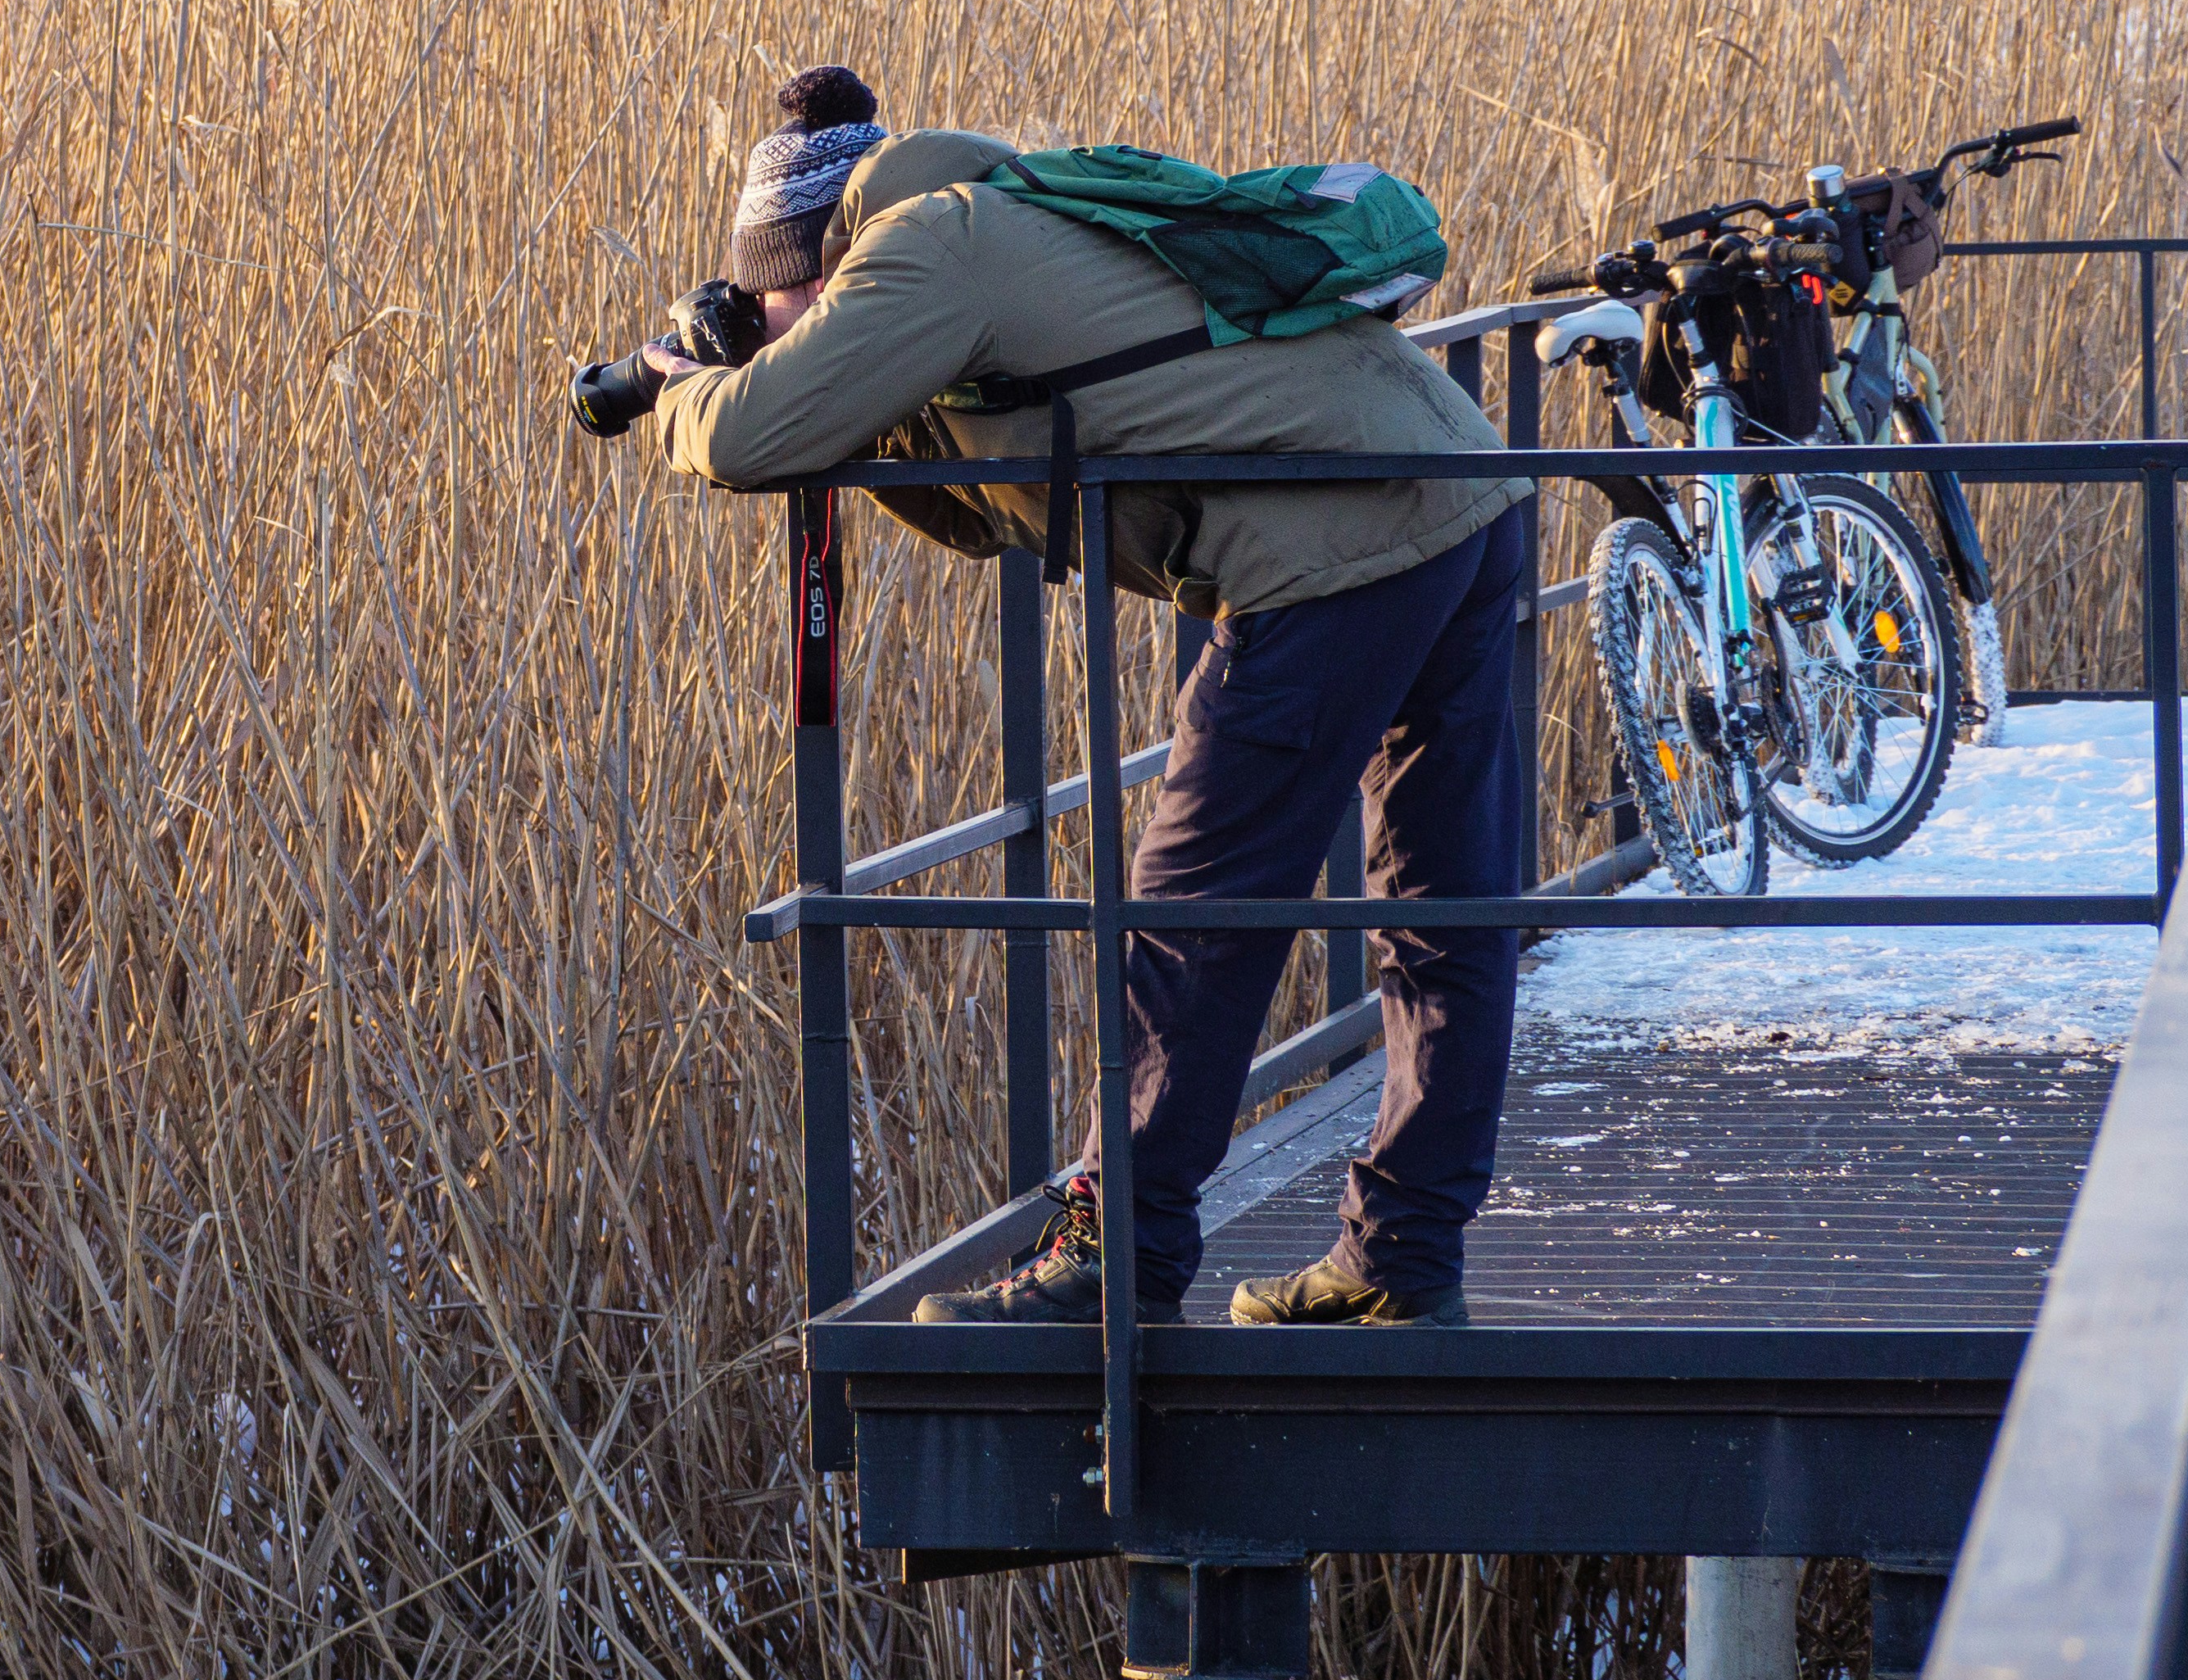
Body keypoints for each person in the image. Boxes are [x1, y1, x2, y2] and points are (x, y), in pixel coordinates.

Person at [645, 66, 1534, 1327]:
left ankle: (1112, 1267)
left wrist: (675, 387)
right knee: (1445, 907)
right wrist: (869, 424)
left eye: (771, 293)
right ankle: (1401, 1262)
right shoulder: (1006, 212)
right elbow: (996, 507)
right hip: (1458, 493)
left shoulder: (929, 245)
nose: (771, 318)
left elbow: (740, 437)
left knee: (1183, 916)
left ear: (811, 253)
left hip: (1336, 553)